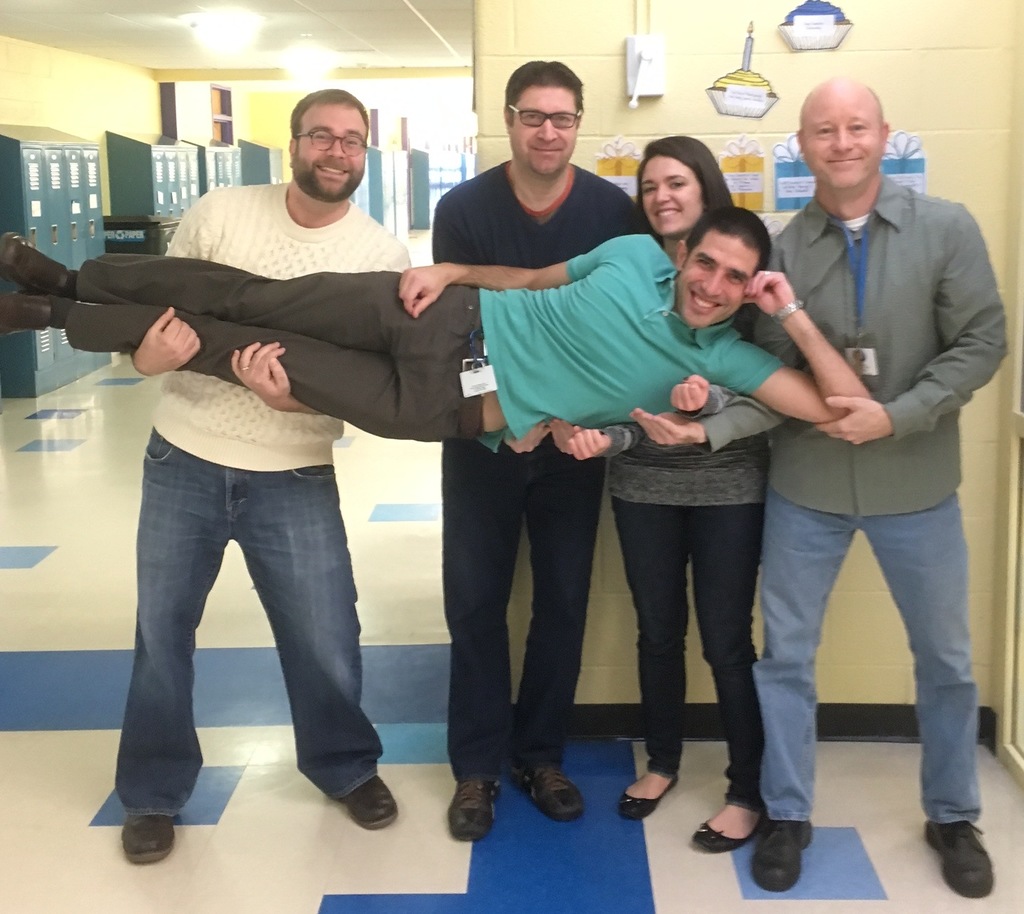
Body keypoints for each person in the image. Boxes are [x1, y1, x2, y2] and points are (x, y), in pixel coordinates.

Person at [41, 89, 409, 863]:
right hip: (185, 456)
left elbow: (366, 379)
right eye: (321, 136)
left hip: (295, 470)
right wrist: (147, 360)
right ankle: (152, 791)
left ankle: (344, 766)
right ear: (294, 144)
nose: (336, 151)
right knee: (162, 635)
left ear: (364, 153)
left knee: (326, 637)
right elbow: (154, 320)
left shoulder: (381, 256)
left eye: (350, 140)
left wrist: (295, 398)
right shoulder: (221, 213)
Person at [726, 79, 1005, 898]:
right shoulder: (781, 251)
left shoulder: (946, 228)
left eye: (856, 127)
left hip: (916, 483)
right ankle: (787, 812)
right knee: (785, 657)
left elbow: (983, 341)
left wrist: (900, 415)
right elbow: (767, 366)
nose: (841, 143)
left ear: (885, 135)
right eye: (824, 130)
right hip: (806, 486)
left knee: (946, 660)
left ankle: (952, 815)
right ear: (802, 146)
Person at [0, 208, 867, 451]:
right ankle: (72, 281)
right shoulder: (634, 254)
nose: (712, 286)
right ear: (684, 254)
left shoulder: (727, 356)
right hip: (434, 311)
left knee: (239, 352)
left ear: (750, 290)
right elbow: (530, 278)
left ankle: (56, 317)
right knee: (251, 294)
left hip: (439, 406)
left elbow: (836, 409)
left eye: (735, 279)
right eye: (706, 263)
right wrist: (450, 268)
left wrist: (789, 312)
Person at [430, 60, 636, 841]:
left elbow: (613, 331)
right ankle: (477, 767)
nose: (548, 132)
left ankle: (542, 755)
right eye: (533, 116)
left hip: (573, 443)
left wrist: (557, 418)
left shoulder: (612, 211)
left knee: (563, 603)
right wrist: (501, 414)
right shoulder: (463, 209)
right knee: (475, 604)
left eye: (563, 118)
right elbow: (460, 325)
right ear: (509, 119)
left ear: (578, 123)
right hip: (485, 438)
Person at [554, 137, 767, 852]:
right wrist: (600, 437)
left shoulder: (748, 272)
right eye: (649, 187)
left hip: (728, 489)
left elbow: (776, 393)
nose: (661, 198)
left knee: (728, 641)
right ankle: (664, 762)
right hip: (642, 484)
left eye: (676, 183)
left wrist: (708, 409)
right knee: (657, 630)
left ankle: (747, 788)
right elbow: (615, 399)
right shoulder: (632, 279)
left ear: (706, 191)